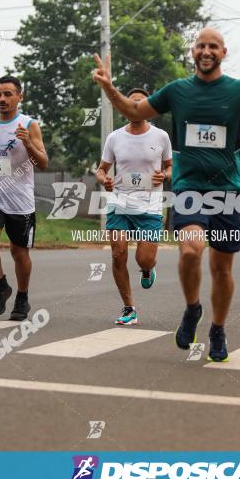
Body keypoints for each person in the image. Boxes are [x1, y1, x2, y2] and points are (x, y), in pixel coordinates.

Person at [91, 28, 240, 361]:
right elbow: (135, 112)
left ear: (223, 52)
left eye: (213, 46)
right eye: (200, 46)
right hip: (190, 188)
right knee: (190, 252)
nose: (206, 51)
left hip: (228, 192)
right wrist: (109, 87)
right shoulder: (178, 91)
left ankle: (218, 328)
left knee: (222, 270)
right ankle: (193, 309)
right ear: (193, 52)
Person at [0, 75, 48, 320]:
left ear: (19, 97)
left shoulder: (29, 125)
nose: (2, 99)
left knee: (19, 252)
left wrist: (28, 144)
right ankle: (1, 285)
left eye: (7, 94)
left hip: (20, 200)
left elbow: (43, 163)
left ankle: (22, 297)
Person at [94, 88, 173, 326]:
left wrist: (165, 175)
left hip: (150, 205)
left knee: (144, 259)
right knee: (118, 254)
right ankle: (129, 308)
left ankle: (148, 270)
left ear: (148, 108)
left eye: (140, 103)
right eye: (131, 103)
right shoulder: (114, 138)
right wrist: (103, 179)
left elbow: (170, 166)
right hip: (120, 202)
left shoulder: (161, 137)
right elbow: (101, 169)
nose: (135, 107)